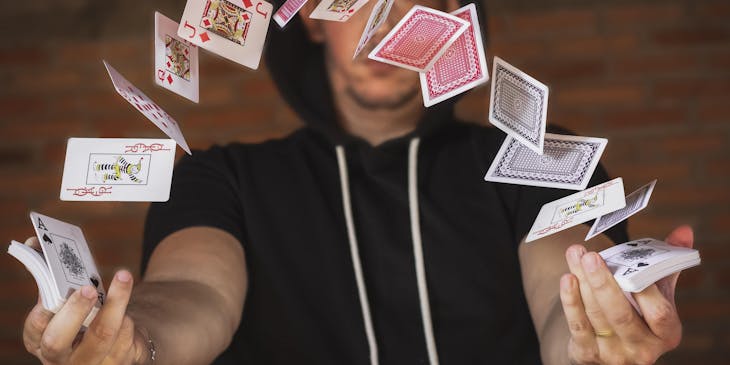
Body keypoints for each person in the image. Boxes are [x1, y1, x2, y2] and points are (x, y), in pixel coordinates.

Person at [20, 0, 694, 364]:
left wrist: (590, 343)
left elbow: (562, 290)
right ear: (311, 14)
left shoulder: (542, 159)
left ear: (456, 18)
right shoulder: (219, 176)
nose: (387, 24)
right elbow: (191, 292)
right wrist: (138, 342)